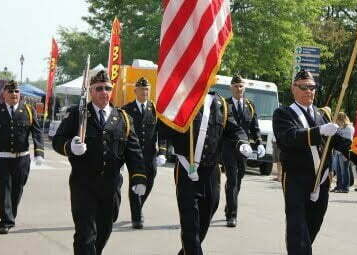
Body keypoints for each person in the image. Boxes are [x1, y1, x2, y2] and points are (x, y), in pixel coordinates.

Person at [52, 70, 147, 255]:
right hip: (84, 185)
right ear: (90, 91)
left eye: (108, 88)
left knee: (104, 231)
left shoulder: (123, 118)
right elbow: (57, 140)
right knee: (85, 235)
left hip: (110, 186)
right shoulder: (78, 115)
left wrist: (139, 178)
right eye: (99, 88)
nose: (104, 92)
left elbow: (133, 151)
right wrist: (70, 146)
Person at [273, 70, 356, 255]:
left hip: (322, 181)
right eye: (304, 87)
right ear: (294, 89)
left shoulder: (322, 115)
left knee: (312, 226)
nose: (309, 91)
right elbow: (289, 137)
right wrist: (319, 132)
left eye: (312, 87)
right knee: (297, 227)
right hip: (296, 179)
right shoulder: (283, 113)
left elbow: (337, 142)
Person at [158, 91, 251, 255]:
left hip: (211, 170)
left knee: (207, 214)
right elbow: (164, 128)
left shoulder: (220, 103)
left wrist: (242, 142)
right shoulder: (182, 99)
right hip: (187, 168)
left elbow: (234, 130)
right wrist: (162, 150)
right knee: (190, 221)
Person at [0, 80, 44, 234]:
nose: (14, 94)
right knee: (4, 189)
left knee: (17, 190)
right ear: (4, 94)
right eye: (10, 92)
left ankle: (10, 215)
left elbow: (37, 132)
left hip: (22, 159)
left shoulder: (28, 110)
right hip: (2, 158)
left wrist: (39, 152)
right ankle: (5, 221)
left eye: (16, 92)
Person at [121, 77, 167, 229]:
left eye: (147, 89)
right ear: (135, 91)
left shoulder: (155, 109)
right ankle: (137, 216)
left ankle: (138, 205)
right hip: (133, 153)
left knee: (150, 179)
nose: (145, 92)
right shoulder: (127, 109)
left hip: (149, 153)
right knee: (135, 181)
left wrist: (162, 151)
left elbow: (162, 132)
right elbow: (122, 133)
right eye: (142, 89)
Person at [221, 74, 265, 227]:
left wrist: (259, 142)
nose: (238, 89)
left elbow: (255, 127)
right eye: (235, 86)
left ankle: (229, 204)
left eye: (241, 86)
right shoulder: (224, 105)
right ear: (231, 88)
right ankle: (232, 215)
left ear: (244, 88)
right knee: (232, 179)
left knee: (238, 180)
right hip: (228, 148)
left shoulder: (250, 105)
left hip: (244, 150)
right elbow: (229, 126)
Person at [330, 112, 355, 193]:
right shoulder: (339, 127)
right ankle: (339, 186)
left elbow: (348, 142)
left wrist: (338, 138)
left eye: (337, 119)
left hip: (344, 152)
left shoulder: (349, 127)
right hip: (337, 152)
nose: (336, 121)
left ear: (341, 119)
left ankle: (345, 187)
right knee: (338, 171)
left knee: (344, 170)